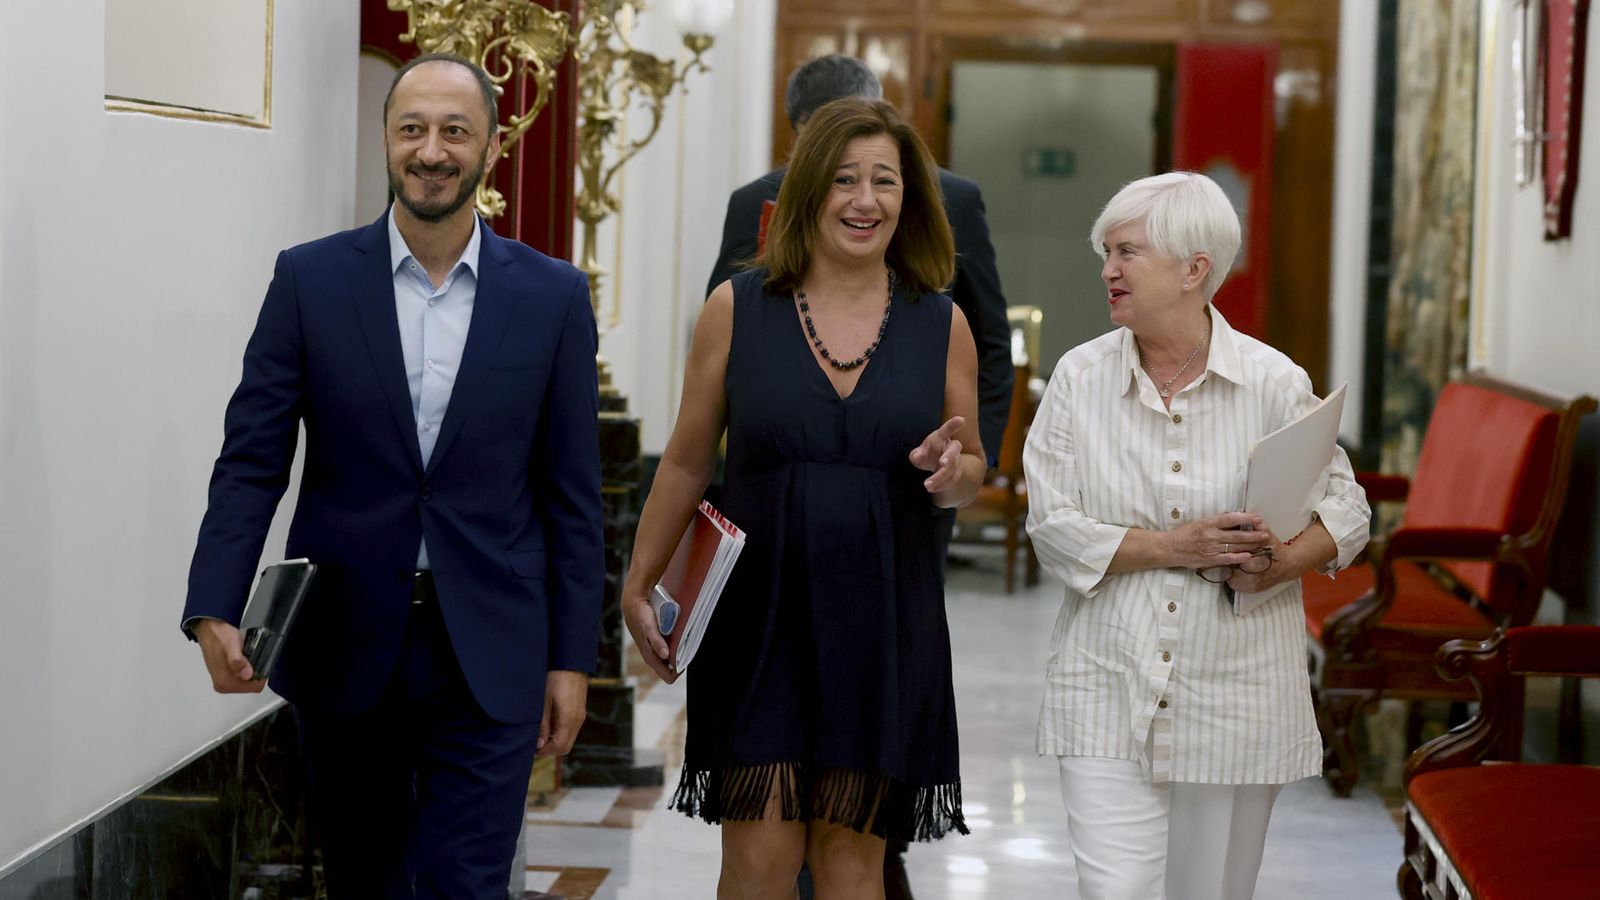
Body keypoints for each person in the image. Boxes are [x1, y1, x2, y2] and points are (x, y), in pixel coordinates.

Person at [180, 53, 603, 899]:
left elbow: (572, 496)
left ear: (491, 148)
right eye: (412, 129)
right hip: (346, 641)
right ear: (386, 139)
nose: (431, 151)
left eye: (455, 131)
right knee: (365, 880)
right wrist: (213, 604)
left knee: (466, 884)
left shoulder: (553, 297)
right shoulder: (309, 280)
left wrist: (571, 658)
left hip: (492, 646)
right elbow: (252, 459)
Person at [625, 97, 980, 899]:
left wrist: (950, 471)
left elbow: (970, 468)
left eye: (884, 181)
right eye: (844, 179)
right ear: (809, 190)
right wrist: (638, 582)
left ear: (908, 199)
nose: (864, 200)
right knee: (759, 862)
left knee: (854, 863)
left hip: (883, 617)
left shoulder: (942, 324)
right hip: (760, 615)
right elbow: (685, 461)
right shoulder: (736, 308)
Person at [1022, 171, 1371, 900]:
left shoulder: (1273, 383)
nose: (1108, 270)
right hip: (1107, 679)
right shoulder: (1079, 380)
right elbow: (1052, 527)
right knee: (1115, 891)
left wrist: (1283, 563)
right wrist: (1176, 547)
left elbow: (1348, 510)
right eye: (1106, 253)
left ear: (1194, 270)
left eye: (1127, 252)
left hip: (1236, 690)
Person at [708, 54, 1012, 478]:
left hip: (911, 451)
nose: (864, 199)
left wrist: (972, 463)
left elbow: (990, 335)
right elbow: (725, 339)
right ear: (799, 134)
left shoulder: (952, 197)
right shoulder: (752, 201)